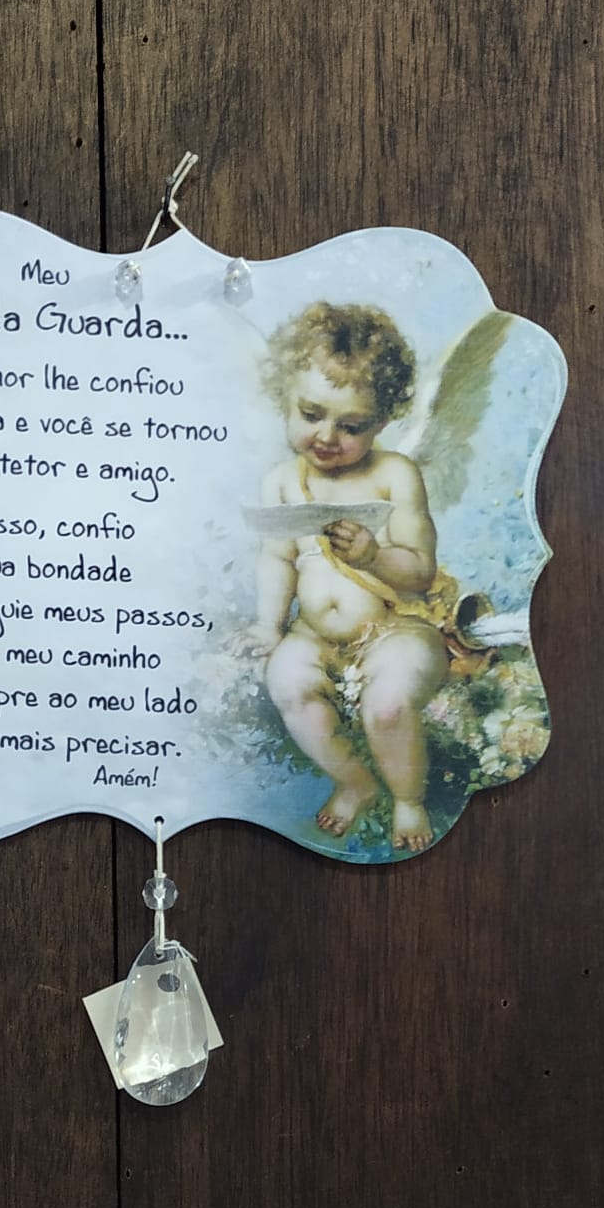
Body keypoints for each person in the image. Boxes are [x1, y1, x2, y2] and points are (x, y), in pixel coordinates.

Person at [239, 303, 448, 851]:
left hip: (393, 627)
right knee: (288, 685)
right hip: (314, 635)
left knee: (388, 704)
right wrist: (268, 626)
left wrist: (373, 556)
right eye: (311, 414)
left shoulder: (394, 474)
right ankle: (355, 782)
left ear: (382, 422)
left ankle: (407, 796)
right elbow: (277, 559)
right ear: (285, 397)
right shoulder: (281, 482)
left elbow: (420, 572)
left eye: (351, 426)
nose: (327, 435)